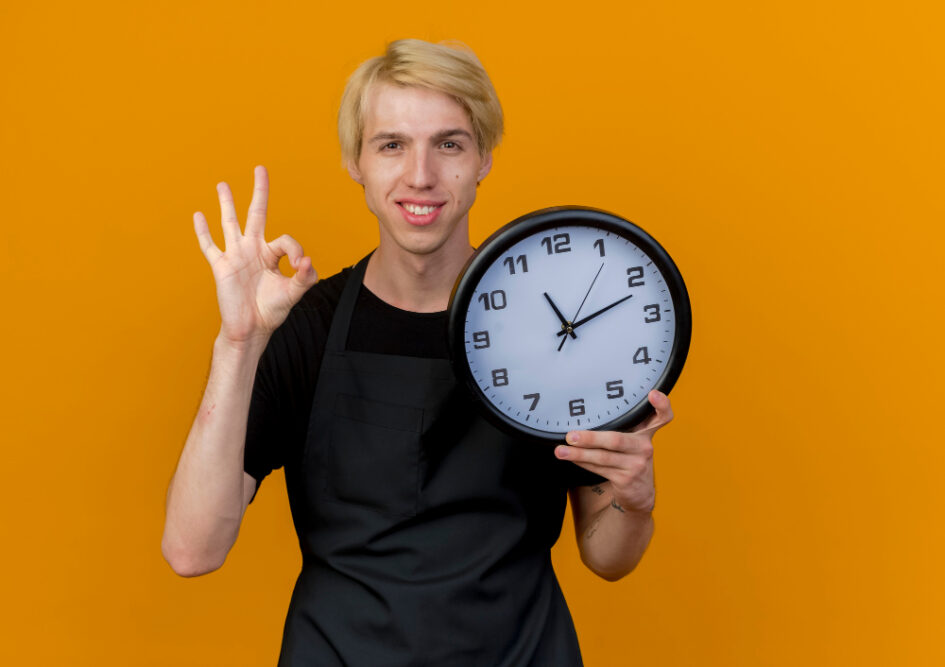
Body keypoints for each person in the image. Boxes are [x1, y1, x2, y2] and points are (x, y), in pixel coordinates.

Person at [162, 39, 674, 666]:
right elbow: (192, 551)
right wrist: (238, 342)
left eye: (450, 143)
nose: (421, 175)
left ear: (484, 156)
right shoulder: (307, 328)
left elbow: (606, 555)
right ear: (357, 161)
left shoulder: (559, 328)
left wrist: (635, 499)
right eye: (392, 144)